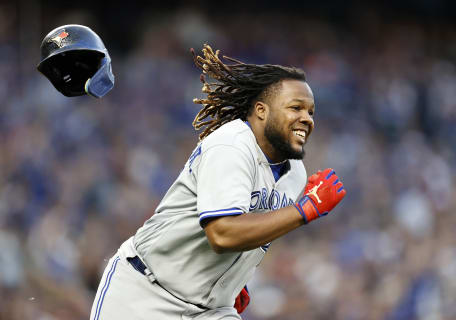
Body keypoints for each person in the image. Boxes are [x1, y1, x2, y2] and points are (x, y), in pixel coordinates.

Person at [89, 44, 346, 320]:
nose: (306, 119)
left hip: (212, 311)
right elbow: (222, 234)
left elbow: (256, 229)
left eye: (311, 112)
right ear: (261, 110)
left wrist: (233, 277)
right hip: (147, 295)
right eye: (296, 108)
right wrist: (305, 210)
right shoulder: (232, 145)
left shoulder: (296, 174)